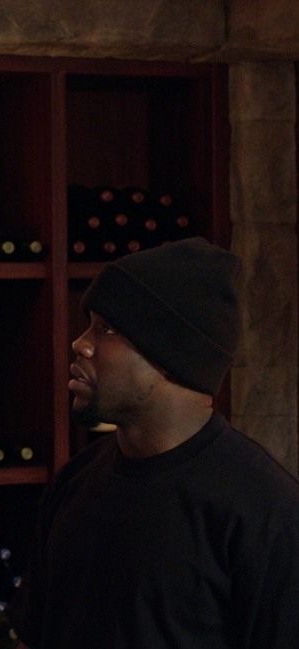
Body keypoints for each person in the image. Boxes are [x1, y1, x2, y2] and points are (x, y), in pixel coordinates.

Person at [16, 237, 299, 648]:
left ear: (170, 356)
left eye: (106, 329)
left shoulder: (267, 515)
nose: (81, 344)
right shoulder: (73, 484)